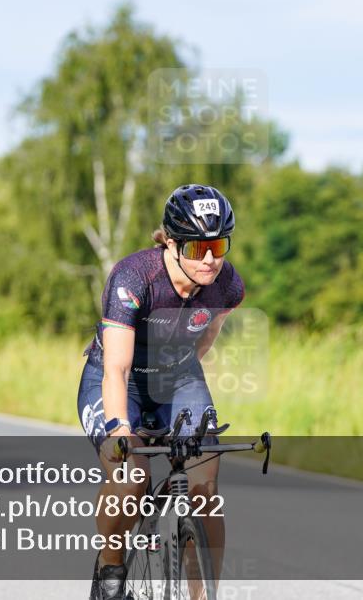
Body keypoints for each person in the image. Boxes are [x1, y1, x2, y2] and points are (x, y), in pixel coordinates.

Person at [77, 184, 244, 600]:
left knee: (205, 489)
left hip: (178, 377)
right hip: (122, 380)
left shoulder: (227, 284)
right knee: (131, 478)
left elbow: (205, 339)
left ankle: (203, 595)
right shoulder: (134, 278)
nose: (209, 260)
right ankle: (111, 567)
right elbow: (116, 368)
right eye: (196, 248)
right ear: (170, 242)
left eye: (218, 246)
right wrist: (120, 429)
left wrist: (179, 381)